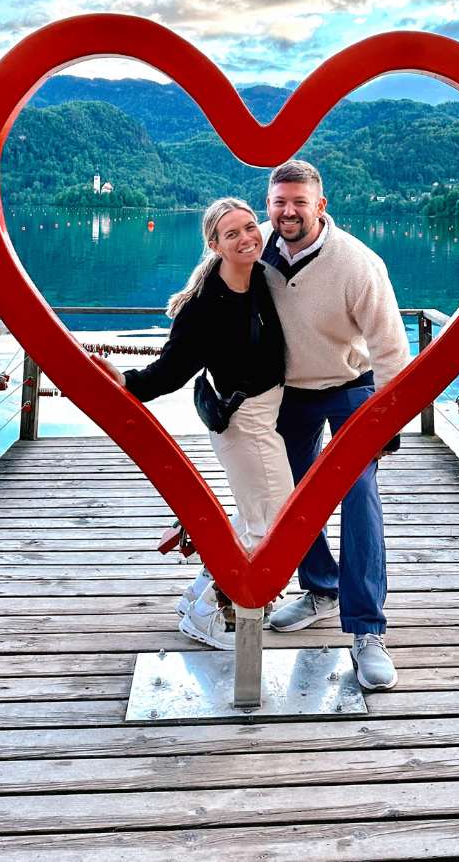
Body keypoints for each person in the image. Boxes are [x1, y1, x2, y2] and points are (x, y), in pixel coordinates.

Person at [94, 197, 294, 651]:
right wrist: (123, 380)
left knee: (251, 518)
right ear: (214, 244)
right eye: (232, 233)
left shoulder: (261, 277)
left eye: (250, 228)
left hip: (266, 418)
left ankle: (195, 597)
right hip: (243, 423)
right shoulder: (205, 306)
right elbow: (167, 373)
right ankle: (207, 609)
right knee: (275, 525)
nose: (246, 238)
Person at [260, 159, 410, 691]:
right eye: (280, 202)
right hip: (288, 392)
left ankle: (367, 629)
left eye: (299, 201)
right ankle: (321, 589)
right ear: (268, 203)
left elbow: (391, 346)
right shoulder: (253, 249)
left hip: (351, 389)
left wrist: (389, 422)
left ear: (321, 206)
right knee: (291, 494)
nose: (288, 211)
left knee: (358, 493)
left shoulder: (357, 264)